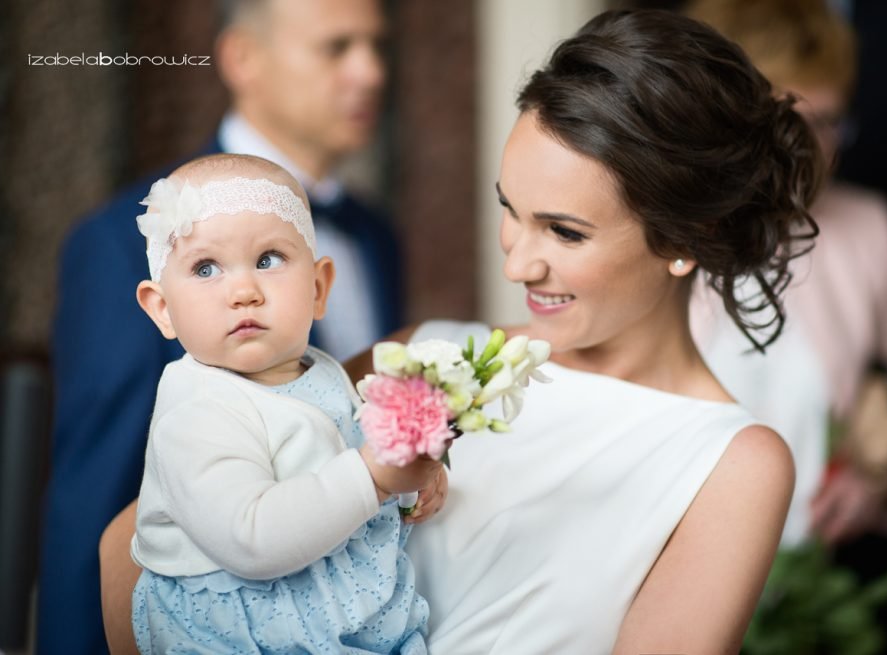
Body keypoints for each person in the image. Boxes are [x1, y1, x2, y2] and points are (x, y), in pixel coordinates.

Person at [101, 9, 822, 653]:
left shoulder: (730, 462)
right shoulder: (421, 353)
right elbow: (132, 553)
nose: (516, 259)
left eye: (564, 232)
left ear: (686, 236)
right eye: (512, 208)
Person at [38, 2, 400, 652]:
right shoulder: (121, 242)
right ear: (242, 59)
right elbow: (93, 496)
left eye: (377, 46)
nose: (370, 72)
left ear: (318, 282)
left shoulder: (374, 236)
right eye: (336, 47)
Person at [128, 153, 443, 653]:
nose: (244, 291)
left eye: (268, 260)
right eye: (206, 267)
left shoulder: (321, 370)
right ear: (163, 309)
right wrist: (374, 477)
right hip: (242, 635)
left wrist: (410, 473)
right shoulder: (195, 410)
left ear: (318, 289)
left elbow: (358, 451)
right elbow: (251, 538)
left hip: (344, 614)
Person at [684, 0, 887, 548]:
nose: (816, 149)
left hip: (811, 569)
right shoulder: (671, 224)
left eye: (831, 122)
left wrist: (880, 484)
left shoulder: (868, 228)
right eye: (793, 120)